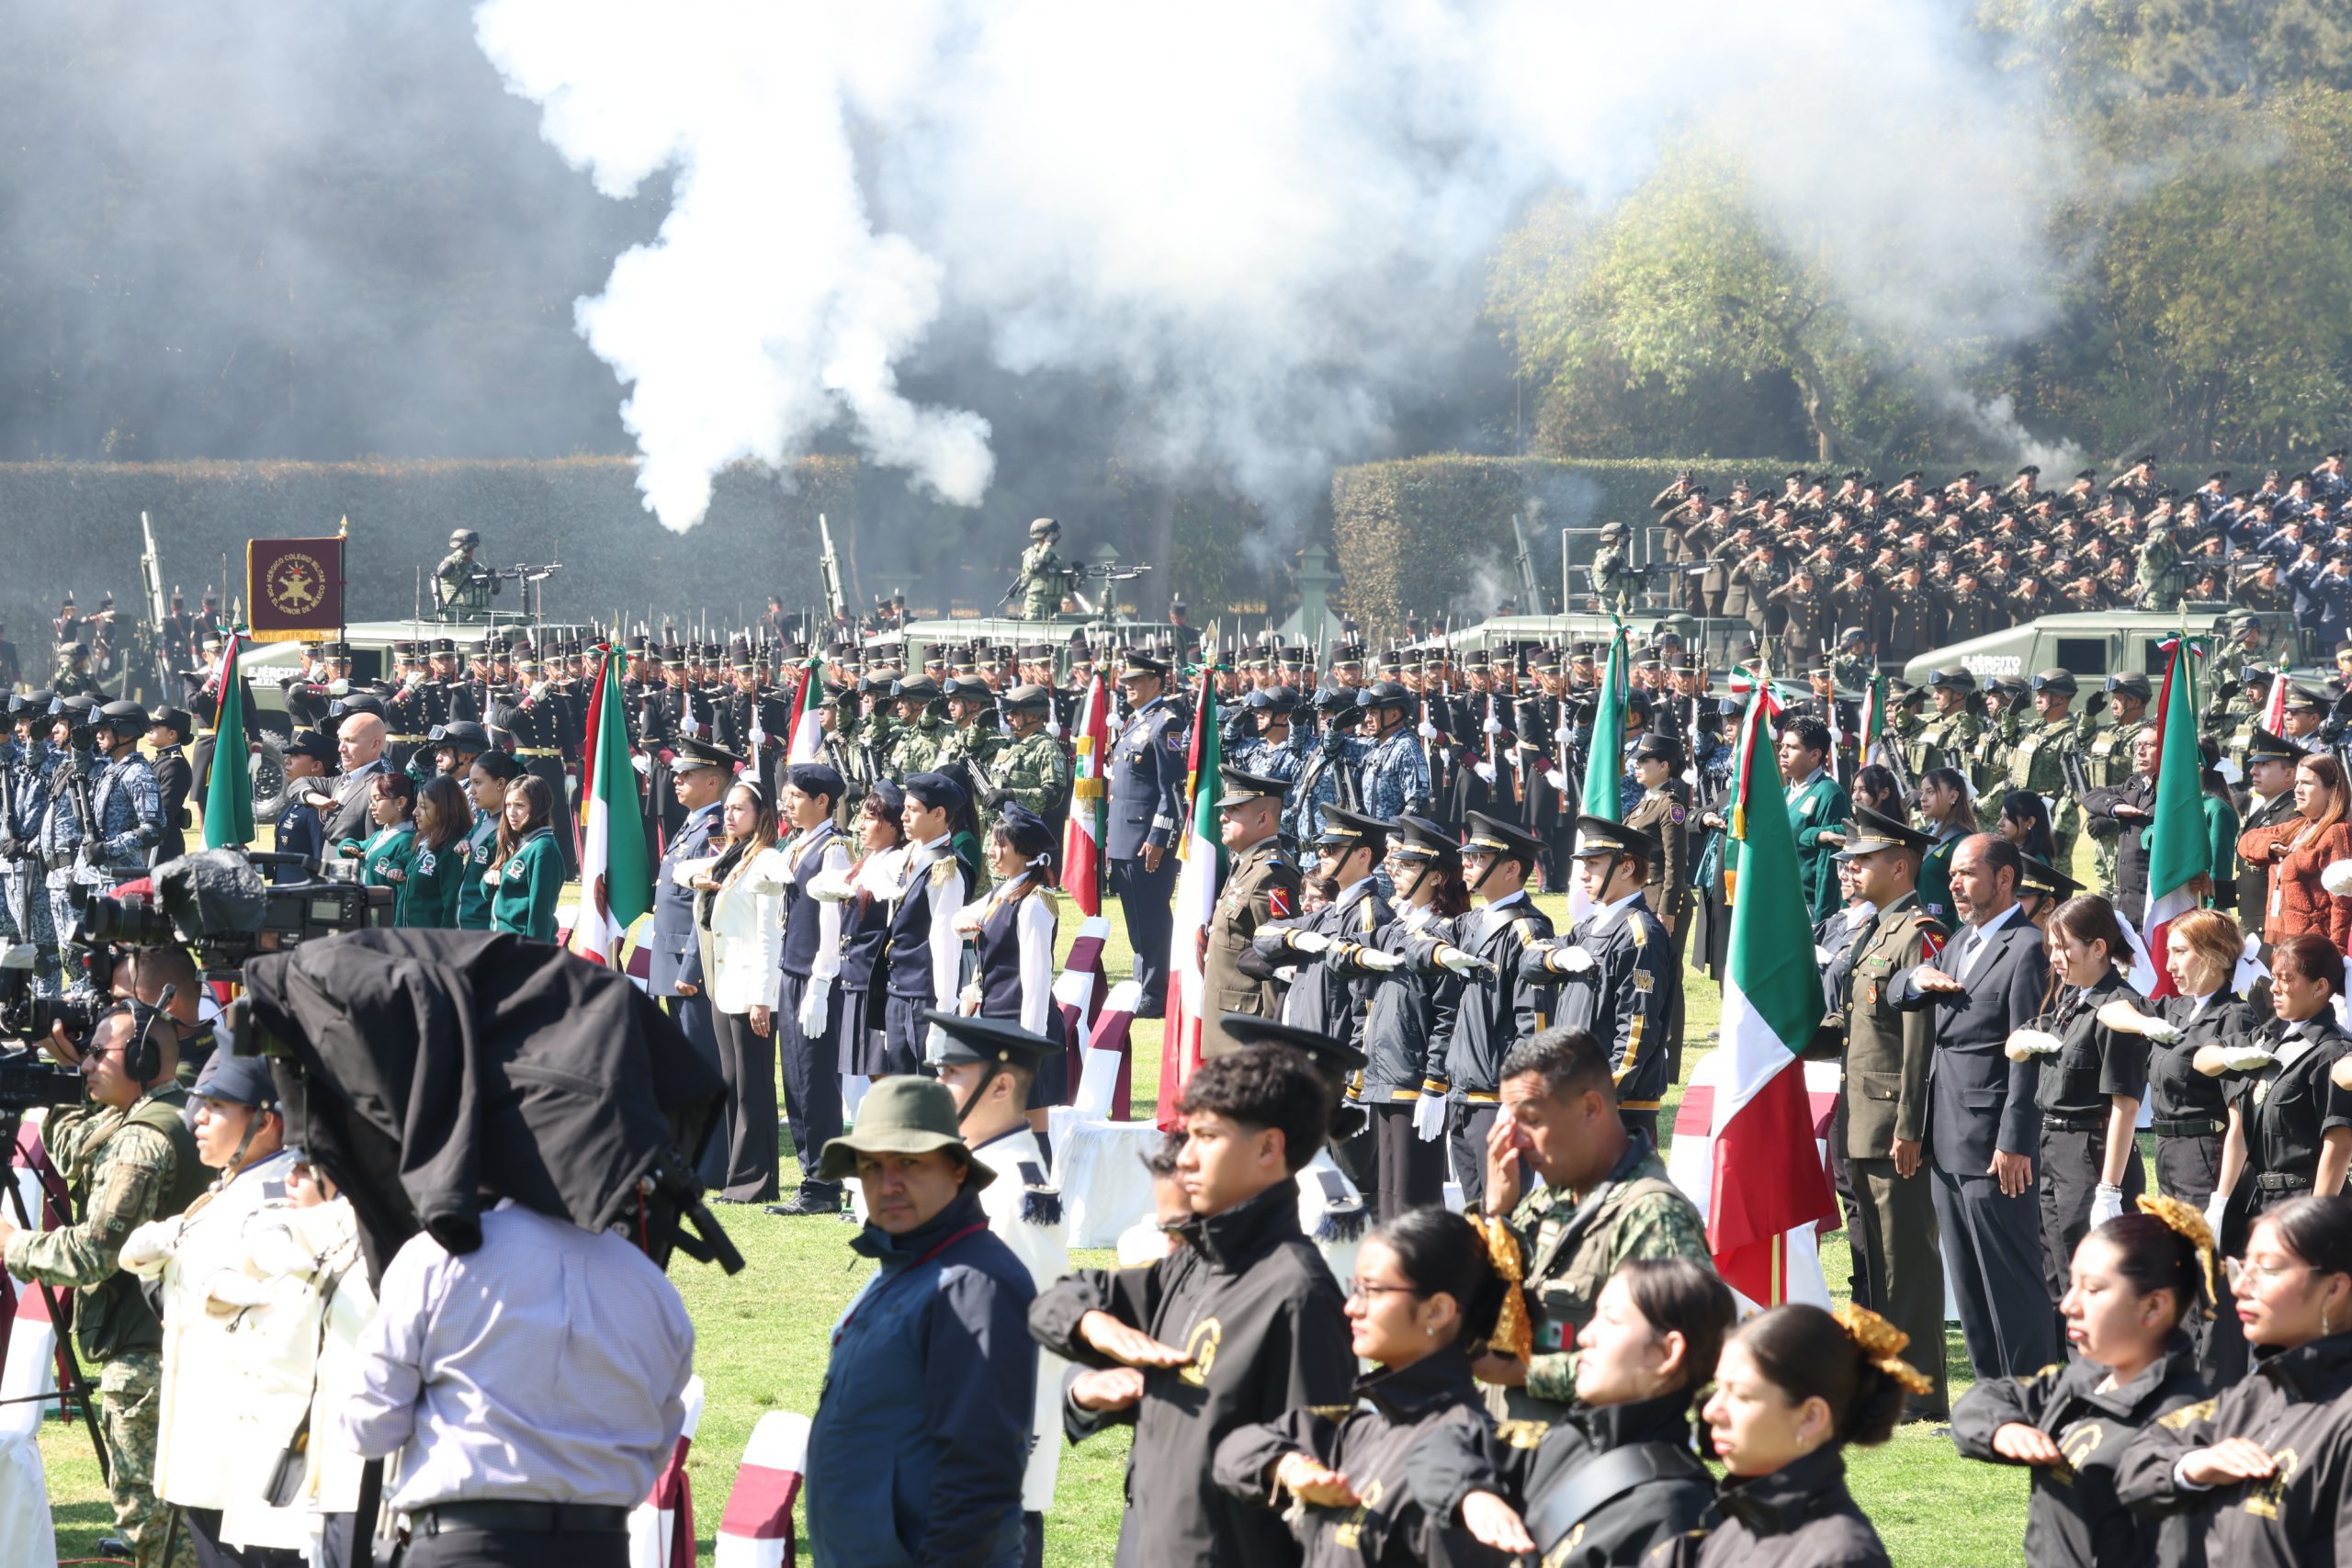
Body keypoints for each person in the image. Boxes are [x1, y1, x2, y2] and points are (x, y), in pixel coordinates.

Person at [1029, 1045, 1356, 1568]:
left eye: (1207, 1137)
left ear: (1269, 1147)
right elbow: (1054, 1302)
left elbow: (1314, 1494)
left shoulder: (1298, 1294)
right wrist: (1093, 1338)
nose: (1185, 1158)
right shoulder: (1195, 1264)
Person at [342, 1202, 694, 1568]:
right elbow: (656, 1444)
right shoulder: (651, 1285)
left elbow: (370, 1431)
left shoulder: (436, 1257)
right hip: (599, 1547)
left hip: (466, 1546)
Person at [803, 1076, 1040, 1568]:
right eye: (871, 1166)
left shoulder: (974, 1284)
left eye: (908, 1163)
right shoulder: (908, 1261)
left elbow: (980, 1476)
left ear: (957, 1170)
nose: (887, 1184)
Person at [0, 1004, 207, 1568]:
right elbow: (77, 1150)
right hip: (178, 1344)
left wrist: (12, 1244)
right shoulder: (176, 1109)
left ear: (141, 1058)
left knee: (155, 1526)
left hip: (145, 1357)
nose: (85, 1063)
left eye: (97, 1053)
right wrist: (64, 1074)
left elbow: (93, 1253)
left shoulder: (143, 1139)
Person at [1211, 1207, 1511, 1568]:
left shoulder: (1467, 1460)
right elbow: (1233, 1451)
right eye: (1355, 1289)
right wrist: (1288, 1467)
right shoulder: (1365, 1429)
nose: (1352, 1307)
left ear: (1438, 1311)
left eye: (1372, 1291)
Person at [1412, 1257, 1731, 1568]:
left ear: (1666, 1352)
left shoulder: (1677, 1514)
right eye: (1593, 1317)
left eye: (1611, 1320)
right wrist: (1472, 1494)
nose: (1584, 1337)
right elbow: (1439, 1446)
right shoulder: (1564, 1441)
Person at [1951, 1198, 2214, 1568]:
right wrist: (2002, 1428)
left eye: (2092, 1290)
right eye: (2071, 1284)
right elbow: (1987, 1398)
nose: (2068, 1305)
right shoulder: (2090, 1376)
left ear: (2154, 1307)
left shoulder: (2180, 1424)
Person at [118, 1055, 303, 1568]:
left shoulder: (283, 1203)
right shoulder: (230, 1191)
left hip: (253, 1472)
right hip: (215, 1465)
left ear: (265, 1121)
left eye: (216, 1106)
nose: (196, 1117)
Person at [1474, 1026, 1709, 1421]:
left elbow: (1673, 1360)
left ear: (1590, 1109)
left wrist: (1526, 1373)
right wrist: (1496, 1216)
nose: (1516, 1141)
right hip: (1515, 1454)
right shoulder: (1545, 1198)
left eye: (1530, 1120)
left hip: (1592, 1460)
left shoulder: (1653, 1216)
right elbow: (1486, 1311)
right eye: (1509, 1122)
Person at [1892, 832, 2060, 1381]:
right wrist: (1915, 976)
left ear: (2004, 878)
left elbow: (2028, 1053)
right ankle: (1992, 1397)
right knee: (1966, 1276)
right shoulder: (1962, 941)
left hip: (1992, 1141)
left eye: (1967, 873)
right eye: (1953, 875)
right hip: (1946, 1134)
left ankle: (2030, 1394)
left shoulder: (2028, 947)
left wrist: (2015, 1140)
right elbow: (1899, 992)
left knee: (2009, 1276)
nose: (1955, 884)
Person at [2115, 1193, 2352, 1565]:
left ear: (2334, 1289)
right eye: (2243, 1267)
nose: (2240, 1287)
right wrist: (2193, 1467)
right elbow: (2137, 1461)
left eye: (2268, 1269)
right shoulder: (2259, 1392)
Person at [922, 1013, 1070, 1566]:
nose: (937, 1086)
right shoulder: (977, 1173)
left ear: (1002, 1085)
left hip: (989, 1475)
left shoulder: (1018, 1195)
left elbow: (1035, 1340)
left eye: (951, 1072)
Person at [1826, 805, 1951, 1417]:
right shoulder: (1873, 930)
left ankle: (1919, 1389)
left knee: (1907, 1261)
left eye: (1865, 858)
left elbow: (1920, 1042)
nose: (1853, 867)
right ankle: (1886, 1378)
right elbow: (1855, 1026)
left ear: (1900, 865)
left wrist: (1911, 1125)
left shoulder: (1919, 932)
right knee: (1873, 1256)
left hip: (1891, 1124)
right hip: (1859, 1117)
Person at [1663, 1303, 1923, 1567]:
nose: (1710, 1411)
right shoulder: (1731, 1526)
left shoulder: (1840, 1558)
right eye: (1718, 1388)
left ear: (1810, 1418)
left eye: (1740, 1395)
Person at [2024, 896, 2151, 1319]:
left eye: (2065, 948)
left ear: (2099, 948)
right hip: (2055, 1146)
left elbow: (2125, 1105)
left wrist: (2109, 1190)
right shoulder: (2072, 998)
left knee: (2095, 1284)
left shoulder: (2118, 1007)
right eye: (2053, 948)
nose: (2056, 959)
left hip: (2090, 1152)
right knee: (2063, 1278)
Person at [1523, 815, 1678, 1144]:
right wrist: (1556, 958)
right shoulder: (1589, 926)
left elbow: (1637, 1029)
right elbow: (1529, 961)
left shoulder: (1640, 934)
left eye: (1594, 864)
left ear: (1625, 868)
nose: (1583, 874)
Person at [676, 775, 792, 1203]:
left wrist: (763, 997)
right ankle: (736, 1175)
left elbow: (768, 936)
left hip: (750, 987)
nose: (729, 815)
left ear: (761, 816)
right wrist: (700, 879)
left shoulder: (765, 862)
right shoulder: (730, 857)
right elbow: (681, 870)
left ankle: (755, 1181)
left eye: (739, 808)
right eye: (726, 808)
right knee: (732, 1082)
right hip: (723, 984)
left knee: (753, 1087)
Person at [2207, 932, 2352, 1250]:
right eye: (2274, 977)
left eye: (2287, 979)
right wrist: (2221, 1202)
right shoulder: (2267, 1037)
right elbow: (2203, 1060)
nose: (2274, 987)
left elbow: (2338, 1146)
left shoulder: (2333, 1051)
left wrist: (2317, 1221)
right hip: (2256, 1198)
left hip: (2304, 1199)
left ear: (2320, 987)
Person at [1439, 811, 1553, 1213]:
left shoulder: (1528, 930)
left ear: (1511, 868)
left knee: (1504, 1221)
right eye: (1467, 855)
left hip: (1496, 1099)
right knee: (1473, 1223)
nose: (1466, 864)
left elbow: (1533, 1026)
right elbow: (1411, 940)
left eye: (1478, 857)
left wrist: (1518, 1097)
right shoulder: (1470, 922)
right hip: (1463, 1091)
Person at [767, 761, 853, 1216]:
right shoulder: (797, 845)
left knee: (815, 1082)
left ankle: (824, 1183)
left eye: (797, 796)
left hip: (813, 974)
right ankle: (810, 1175)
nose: (788, 803)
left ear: (822, 801)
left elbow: (832, 924)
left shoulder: (834, 849)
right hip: (790, 969)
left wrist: (822, 983)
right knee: (795, 1082)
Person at [953, 803, 1065, 1116]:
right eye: (992, 843)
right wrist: (959, 924)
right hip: (997, 1022)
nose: (991, 852)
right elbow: (963, 916)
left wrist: (1030, 1044)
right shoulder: (1003, 892)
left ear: (1024, 851)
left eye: (1001, 845)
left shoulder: (1033, 904)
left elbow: (1037, 979)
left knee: (1030, 1120)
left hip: (1021, 1025)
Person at [1106, 651, 1188, 1017]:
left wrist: (1159, 837)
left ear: (1157, 682)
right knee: (1137, 921)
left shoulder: (1166, 723)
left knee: (1152, 918)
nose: (1129, 688)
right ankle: (1145, 985)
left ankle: (1155, 994)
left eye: (1136, 681)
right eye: (1126, 682)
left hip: (1146, 841)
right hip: (1125, 839)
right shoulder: (1134, 722)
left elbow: (1171, 789)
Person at [1201, 765, 1303, 1057]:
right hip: (1230, 1023)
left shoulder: (1272, 873)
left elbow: (1278, 961)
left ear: (1263, 818)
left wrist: (1271, 1039)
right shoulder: (1245, 864)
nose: (1223, 817)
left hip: (1249, 1031)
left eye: (1234, 810)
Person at [881, 772, 972, 1075]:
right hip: (899, 987)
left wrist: (944, 1012)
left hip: (926, 993)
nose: (903, 816)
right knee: (901, 1089)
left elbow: (945, 940)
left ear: (939, 814)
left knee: (930, 1091)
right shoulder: (911, 853)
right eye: (905, 807)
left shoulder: (945, 866)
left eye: (913, 810)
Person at [2234, 750, 2352, 950]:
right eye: (2297, 783)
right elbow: (2247, 841)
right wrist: (2270, 847)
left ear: (2331, 789)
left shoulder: (2337, 831)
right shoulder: (2298, 826)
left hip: (2313, 950)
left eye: (2307, 783)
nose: (2298, 789)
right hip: (2282, 947)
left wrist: (2338, 956)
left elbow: (2342, 903)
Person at [2233, 729, 2301, 942]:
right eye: (2254, 764)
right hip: (2254, 931)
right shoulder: (2263, 812)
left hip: (2273, 933)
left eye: (2263, 765)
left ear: (2289, 774)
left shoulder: (2292, 814)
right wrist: (2214, 888)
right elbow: (2253, 880)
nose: (2253, 771)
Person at [485, 773, 563, 942]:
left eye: (519, 805)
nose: (511, 812)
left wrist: (534, 954)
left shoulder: (543, 847)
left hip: (523, 950)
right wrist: (488, 879)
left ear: (539, 807)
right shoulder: (517, 839)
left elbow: (540, 911)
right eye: (507, 805)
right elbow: (489, 893)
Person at [254, 728, 336, 878]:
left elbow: (321, 863)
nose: (287, 760)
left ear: (316, 766)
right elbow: (291, 856)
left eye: (296, 755)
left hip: (304, 896)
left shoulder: (319, 805)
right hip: (287, 896)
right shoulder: (300, 798)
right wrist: (255, 863)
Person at [452, 750, 520, 931]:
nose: (472, 790)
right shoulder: (484, 816)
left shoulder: (509, 828)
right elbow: (473, 836)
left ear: (500, 784)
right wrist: (464, 842)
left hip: (483, 927)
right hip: (465, 923)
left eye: (478, 783)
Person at [399, 773, 469, 928]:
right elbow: (402, 859)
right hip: (406, 939)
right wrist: (395, 868)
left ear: (445, 809)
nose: (414, 812)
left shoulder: (452, 851)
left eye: (423, 807)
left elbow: (450, 906)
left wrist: (442, 944)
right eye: (417, 805)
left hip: (430, 945)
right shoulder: (423, 841)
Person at [338, 772, 418, 904]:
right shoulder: (378, 836)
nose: (371, 806)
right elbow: (354, 845)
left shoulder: (409, 840)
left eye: (378, 799)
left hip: (386, 917)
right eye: (371, 800)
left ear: (401, 802)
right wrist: (347, 846)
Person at [1915, 766, 1978, 928]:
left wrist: (1958, 943)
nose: (1923, 798)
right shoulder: (1925, 833)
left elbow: (1968, 898)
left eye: (1930, 792)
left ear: (1953, 796)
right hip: (1920, 926)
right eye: (1922, 792)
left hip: (1946, 932)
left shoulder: (1963, 841)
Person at [146, 705, 195, 865]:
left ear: (172, 734)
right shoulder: (158, 761)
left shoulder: (175, 765)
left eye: (156, 727)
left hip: (162, 847)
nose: (150, 730)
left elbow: (163, 812)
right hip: (150, 843)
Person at [1998, 789, 2058, 865]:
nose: (1999, 823)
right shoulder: (2010, 852)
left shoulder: (2034, 863)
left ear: (2030, 822)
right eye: (2001, 816)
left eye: (2008, 817)